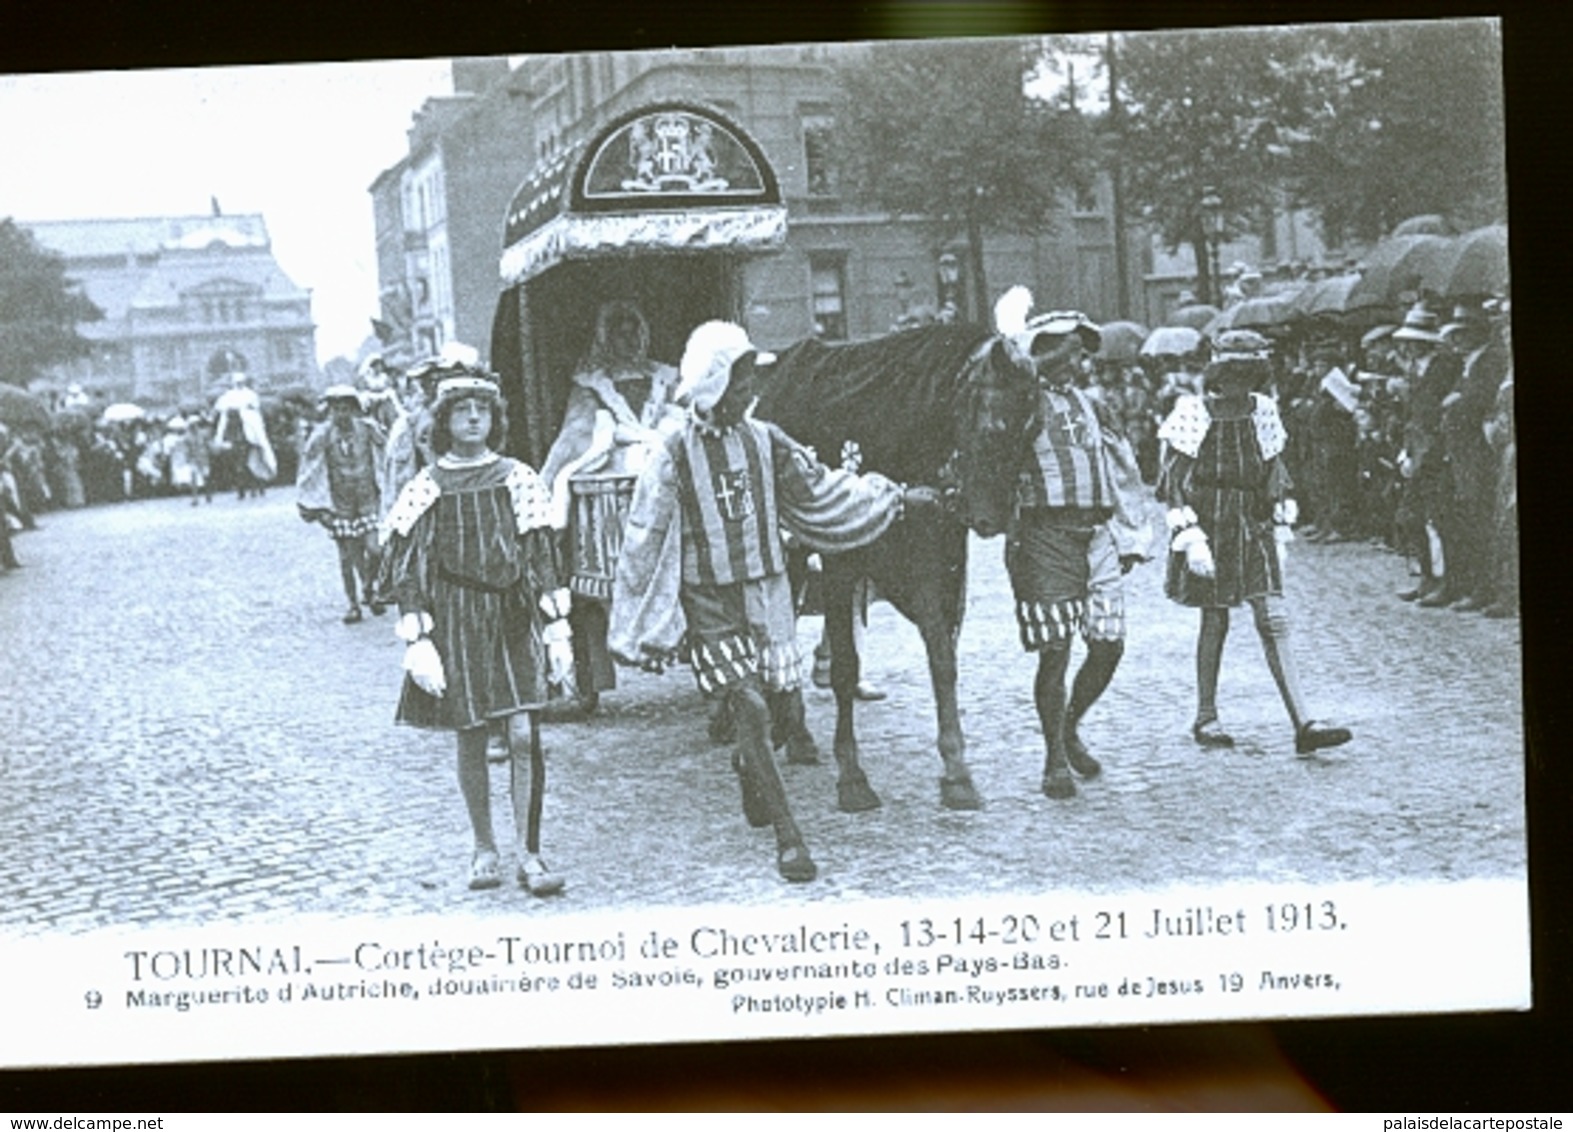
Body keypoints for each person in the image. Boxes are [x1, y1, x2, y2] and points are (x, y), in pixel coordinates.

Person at [609, 320, 941, 883]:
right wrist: (640, 622)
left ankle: (749, 761)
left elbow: (820, 489)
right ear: (712, 384)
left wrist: (895, 498)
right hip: (710, 601)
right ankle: (791, 837)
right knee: (753, 706)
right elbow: (645, 537)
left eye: (750, 384)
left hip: (769, 594)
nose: (750, 394)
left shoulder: (767, 440)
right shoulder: (671, 454)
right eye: (740, 383)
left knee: (782, 714)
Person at [377, 369, 574, 895]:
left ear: (494, 418)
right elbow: (406, 564)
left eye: (482, 410)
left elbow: (539, 552)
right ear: (444, 421)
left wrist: (556, 626)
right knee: (472, 734)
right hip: (457, 618)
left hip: (511, 612)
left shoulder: (518, 476)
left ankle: (530, 852)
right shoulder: (428, 485)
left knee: (523, 734)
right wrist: (418, 638)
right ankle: (484, 846)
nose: (472, 418)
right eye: (462, 410)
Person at [1156, 329, 1351, 756]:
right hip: (1209, 526)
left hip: (1251, 522)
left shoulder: (1263, 410)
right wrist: (1189, 537)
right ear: (1217, 374)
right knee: (1215, 618)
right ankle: (1206, 715)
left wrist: (1279, 515)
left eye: (1248, 374)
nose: (1239, 384)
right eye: (1232, 374)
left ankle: (1304, 722)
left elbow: (1274, 470)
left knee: (1272, 616)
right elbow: (1172, 482)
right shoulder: (1192, 412)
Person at [999, 300, 1151, 799]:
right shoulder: (1021, 401)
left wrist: (1129, 535)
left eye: (1080, 354)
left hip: (1096, 535)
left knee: (1109, 645)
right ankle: (1054, 757)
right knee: (1055, 651)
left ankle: (1069, 725)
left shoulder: (1093, 405)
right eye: (1066, 353)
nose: (1077, 363)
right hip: (1045, 535)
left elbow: (1123, 469)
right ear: (1042, 354)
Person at [540, 301, 684, 719]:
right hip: (608, 489)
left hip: (664, 474)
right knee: (592, 592)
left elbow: (683, 416)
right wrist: (610, 436)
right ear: (605, 336)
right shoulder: (591, 383)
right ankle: (588, 683)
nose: (626, 338)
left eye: (632, 329)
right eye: (617, 330)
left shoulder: (666, 377)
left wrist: (663, 435)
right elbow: (577, 433)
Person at [297, 385, 389, 624]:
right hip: (341, 504)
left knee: (375, 549)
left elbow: (389, 450)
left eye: (346, 409)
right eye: (336, 409)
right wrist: (317, 506)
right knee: (348, 556)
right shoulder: (322, 435)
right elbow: (309, 468)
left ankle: (369, 586)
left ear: (354, 409)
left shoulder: (368, 428)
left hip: (368, 499)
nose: (341, 414)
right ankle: (353, 604)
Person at [1391, 306, 1463, 605]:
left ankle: (1449, 582)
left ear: (1426, 342)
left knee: (1441, 519)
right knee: (1410, 517)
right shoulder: (1414, 368)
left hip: (1437, 453)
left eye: (1413, 340)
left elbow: (1434, 416)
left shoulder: (1443, 366)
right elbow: (1413, 418)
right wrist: (1407, 452)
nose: (1407, 346)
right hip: (1417, 451)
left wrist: (1421, 454)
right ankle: (1427, 577)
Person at [212, 372, 277, 499]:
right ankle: (241, 489)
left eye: (241, 383)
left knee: (255, 457)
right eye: (237, 383)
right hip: (235, 430)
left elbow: (255, 410)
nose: (239, 385)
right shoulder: (228, 396)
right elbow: (222, 411)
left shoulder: (250, 394)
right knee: (239, 464)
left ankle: (257, 486)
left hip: (250, 430)